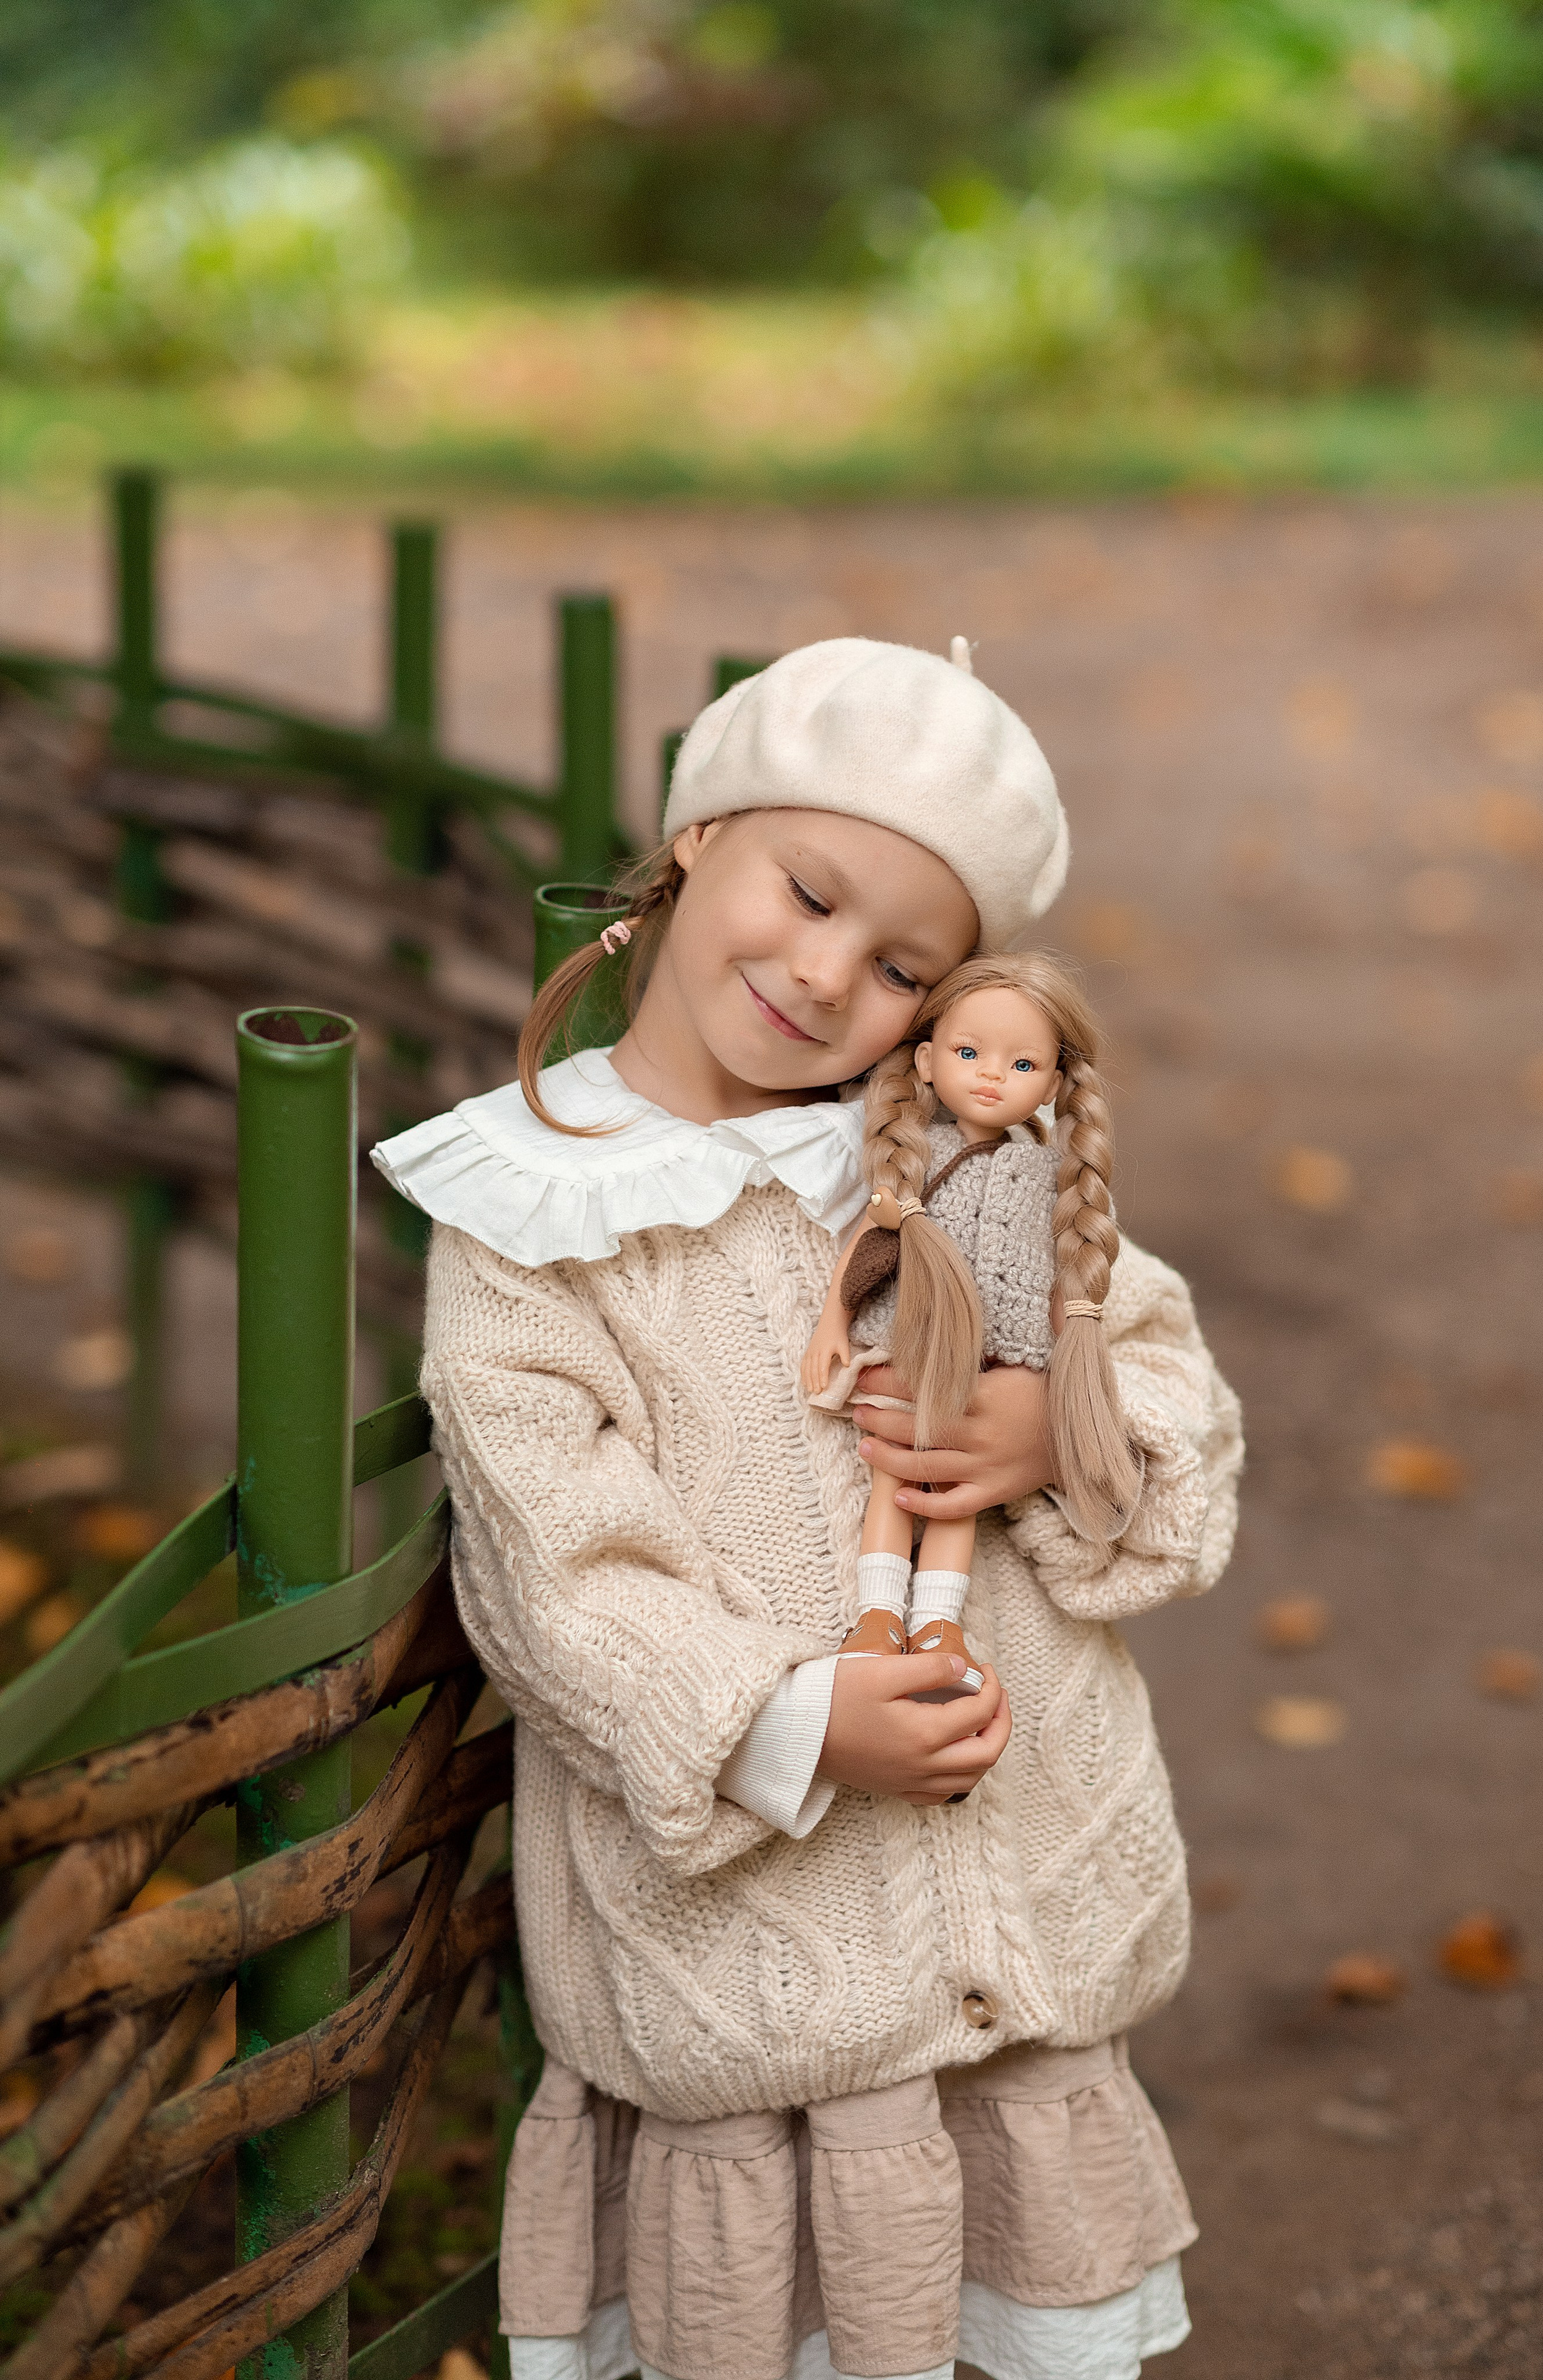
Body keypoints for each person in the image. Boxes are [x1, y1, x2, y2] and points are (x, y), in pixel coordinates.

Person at [373, 635, 1243, 2380]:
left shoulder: (959, 1155)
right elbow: (559, 1574)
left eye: (900, 963)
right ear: (696, 842)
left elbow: (1162, 1375)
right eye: (808, 890)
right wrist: (787, 1723)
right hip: (763, 1980)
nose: (824, 971)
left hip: (1025, 1956)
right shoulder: (534, 1219)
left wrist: (1049, 1432)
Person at [802, 950, 1142, 1698]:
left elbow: (1074, 1278)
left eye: (1020, 1063)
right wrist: (834, 1319)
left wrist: (1067, 1369)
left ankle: (937, 1621)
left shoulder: (1058, 1181)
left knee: (957, 1497)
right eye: (968, 1053)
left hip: (997, 1366)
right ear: (926, 1062)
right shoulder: (918, 1163)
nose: (990, 1075)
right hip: (913, 1344)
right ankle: (878, 1615)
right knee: (894, 1478)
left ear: (1054, 1084)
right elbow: (872, 1238)